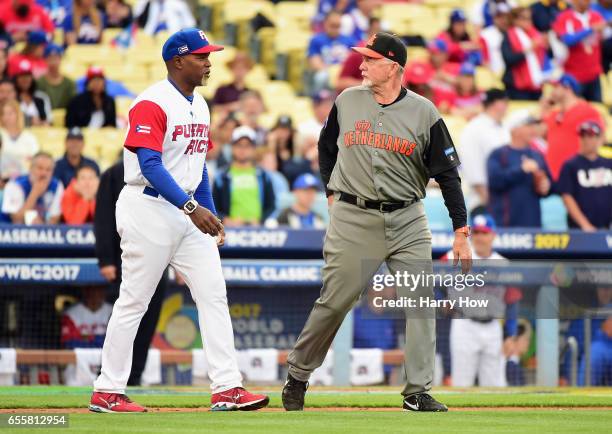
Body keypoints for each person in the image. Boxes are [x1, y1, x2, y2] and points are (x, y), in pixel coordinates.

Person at [281, 32, 472, 413]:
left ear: (393, 67)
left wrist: (461, 231)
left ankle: (416, 391)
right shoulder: (347, 100)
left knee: (420, 302)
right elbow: (326, 146)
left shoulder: (425, 112)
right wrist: (330, 193)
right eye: (362, 59)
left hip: (407, 218)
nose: (362, 65)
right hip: (353, 216)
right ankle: (299, 374)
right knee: (335, 302)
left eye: (370, 59)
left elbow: (448, 175)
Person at [89, 28, 268, 413]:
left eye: (209, 55)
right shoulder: (151, 102)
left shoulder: (200, 104)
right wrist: (192, 208)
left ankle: (227, 387)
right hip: (148, 208)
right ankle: (107, 389)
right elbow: (150, 165)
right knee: (135, 300)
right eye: (202, 56)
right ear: (178, 61)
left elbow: (198, 167)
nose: (208, 62)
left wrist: (209, 213)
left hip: (187, 211)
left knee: (214, 294)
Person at [94, 159, 169, 387]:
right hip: (123, 255)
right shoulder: (115, 172)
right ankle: (108, 373)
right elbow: (104, 218)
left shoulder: (165, 169)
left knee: (151, 314)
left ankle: (135, 375)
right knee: (126, 311)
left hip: (159, 251)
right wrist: (106, 259)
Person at [444, 214, 521, 387]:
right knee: (461, 384)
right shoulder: (454, 255)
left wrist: (510, 335)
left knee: (494, 386)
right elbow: (432, 279)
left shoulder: (503, 264)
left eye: (484, 233)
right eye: (476, 233)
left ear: (493, 235)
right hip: (464, 325)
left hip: (493, 327)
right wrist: (441, 300)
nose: (479, 237)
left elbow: (512, 302)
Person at [487, 109, 552, 227]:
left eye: (533, 126)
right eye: (528, 125)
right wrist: (521, 170)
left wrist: (546, 186)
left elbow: (550, 184)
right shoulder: (498, 154)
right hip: (505, 225)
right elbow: (494, 181)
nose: (533, 130)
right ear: (514, 129)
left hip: (532, 224)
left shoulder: (537, 155)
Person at [541, 73, 604, 180]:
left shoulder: (587, 111)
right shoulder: (554, 114)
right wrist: (543, 110)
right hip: (552, 174)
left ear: (567, 88)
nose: (552, 92)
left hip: (576, 174)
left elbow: (599, 139)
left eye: (556, 87)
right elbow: (542, 136)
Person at [212, 125, 276, 226]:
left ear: (254, 148)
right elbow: (213, 205)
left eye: (247, 146)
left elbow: (271, 205)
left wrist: (261, 221)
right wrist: (225, 219)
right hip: (230, 230)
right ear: (232, 147)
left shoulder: (264, 176)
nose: (243, 150)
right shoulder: (221, 176)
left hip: (258, 230)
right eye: (239, 145)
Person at [458, 89, 510, 206]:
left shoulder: (505, 128)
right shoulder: (474, 128)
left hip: (506, 200)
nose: (507, 106)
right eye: (505, 102)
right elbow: (472, 166)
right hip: (482, 200)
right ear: (497, 104)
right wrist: (487, 200)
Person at [557, 120, 612, 231]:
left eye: (591, 136)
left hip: (607, 228)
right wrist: (584, 225)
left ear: (601, 139)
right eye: (583, 136)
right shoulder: (570, 165)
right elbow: (567, 197)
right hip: (579, 229)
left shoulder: (609, 164)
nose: (586, 140)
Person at [552, 0, 606, 102]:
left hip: (594, 73)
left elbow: (603, 40)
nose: (586, 2)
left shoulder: (596, 16)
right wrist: (591, 29)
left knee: (596, 107)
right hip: (573, 75)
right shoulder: (564, 17)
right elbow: (567, 40)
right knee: (574, 107)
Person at [1, 151, 63, 224]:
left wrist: (40, 227)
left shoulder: (57, 185)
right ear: (31, 168)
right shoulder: (15, 185)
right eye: (40, 168)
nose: (44, 173)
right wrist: (35, 193)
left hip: (42, 230)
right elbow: (17, 219)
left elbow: (54, 219)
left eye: (48, 170)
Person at [501, 7, 548, 100]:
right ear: (514, 20)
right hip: (517, 86)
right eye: (524, 18)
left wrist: (547, 45)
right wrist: (528, 49)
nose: (528, 21)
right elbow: (509, 59)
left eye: (529, 18)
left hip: (536, 84)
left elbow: (547, 57)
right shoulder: (508, 36)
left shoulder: (535, 34)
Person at [307, 10, 356, 93]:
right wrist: (332, 72)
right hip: (326, 72)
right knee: (321, 76)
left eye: (338, 26)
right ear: (325, 24)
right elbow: (315, 62)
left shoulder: (349, 41)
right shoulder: (316, 40)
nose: (335, 29)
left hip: (344, 73)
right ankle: (319, 100)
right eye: (332, 25)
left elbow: (353, 63)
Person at [0, 99, 39, 179]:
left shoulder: (29, 136)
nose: (6, 117)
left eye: (10, 113)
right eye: (3, 114)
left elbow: (35, 158)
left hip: (24, 177)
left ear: (18, 114)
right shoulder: (1, 133)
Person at [35, 43, 76, 109]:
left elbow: (74, 104)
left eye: (56, 58)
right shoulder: (39, 82)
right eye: (50, 59)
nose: (53, 62)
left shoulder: (70, 83)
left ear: (60, 59)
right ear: (45, 60)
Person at [12, 59, 51, 126]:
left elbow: (48, 120)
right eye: (21, 75)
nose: (25, 79)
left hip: (39, 133)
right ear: (16, 78)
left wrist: (42, 123)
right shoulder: (12, 97)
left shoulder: (41, 97)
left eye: (28, 75)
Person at [479, 1, 512, 75]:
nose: (503, 20)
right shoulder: (485, 34)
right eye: (500, 17)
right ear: (494, 18)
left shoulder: (514, 33)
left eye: (506, 17)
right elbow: (484, 61)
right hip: (494, 75)